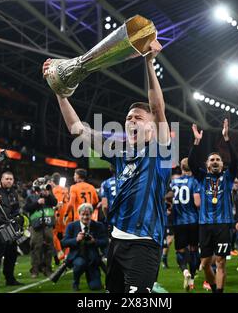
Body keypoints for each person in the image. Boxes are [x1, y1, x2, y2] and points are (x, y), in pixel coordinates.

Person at [43, 39, 172, 293]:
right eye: (128, 118)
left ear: (151, 126)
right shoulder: (120, 154)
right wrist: (59, 89)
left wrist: (149, 62)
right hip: (116, 242)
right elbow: (76, 128)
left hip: (144, 243)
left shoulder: (161, 152)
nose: (131, 121)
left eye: (138, 118)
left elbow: (157, 108)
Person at [188, 119, 236, 293]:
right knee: (205, 264)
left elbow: (236, 161)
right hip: (205, 225)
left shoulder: (228, 178)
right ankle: (214, 286)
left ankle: (219, 292)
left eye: (218, 159)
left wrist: (227, 139)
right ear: (207, 165)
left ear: (222, 164)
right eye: (212, 160)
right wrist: (197, 142)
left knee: (221, 261)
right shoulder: (202, 178)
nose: (215, 161)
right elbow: (192, 162)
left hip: (223, 224)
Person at [170, 157, 201, 291]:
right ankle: (192, 279)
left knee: (180, 250)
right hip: (193, 221)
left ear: (181, 168)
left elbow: (169, 198)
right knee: (194, 249)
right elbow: (197, 203)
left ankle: (185, 271)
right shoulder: (194, 181)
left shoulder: (174, 182)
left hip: (178, 221)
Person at [61, 203, 108, 291]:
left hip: (93, 260)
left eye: (87, 214)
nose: (85, 217)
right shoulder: (71, 226)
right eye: (83, 214)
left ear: (91, 214)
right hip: (77, 257)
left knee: (95, 287)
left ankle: (92, 279)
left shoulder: (98, 226)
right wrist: (76, 239)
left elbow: (105, 241)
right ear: (79, 215)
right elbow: (63, 243)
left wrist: (95, 241)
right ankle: (76, 281)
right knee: (80, 264)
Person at [0, 171, 23, 288]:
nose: (9, 181)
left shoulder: (13, 193)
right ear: (2, 180)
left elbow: (16, 208)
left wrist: (17, 218)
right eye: (7, 179)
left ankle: (10, 278)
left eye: (11, 179)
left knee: (12, 254)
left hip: (11, 227)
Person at [24, 180, 58, 278]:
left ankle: (48, 269)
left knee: (49, 248)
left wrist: (48, 195)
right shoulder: (31, 197)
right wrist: (37, 203)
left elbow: (54, 202)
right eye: (41, 188)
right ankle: (34, 270)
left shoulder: (49, 197)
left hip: (48, 226)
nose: (43, 190)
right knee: (36, 248)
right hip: (36, 227)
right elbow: (26, 208)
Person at [50, 173, 70, 262]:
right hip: (68, 214)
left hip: (59, 214)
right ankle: (67, 254)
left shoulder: (55, 190)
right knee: (67, 234)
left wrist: (56, 214)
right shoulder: (66, 189)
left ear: (52, 181)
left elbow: (58, 203)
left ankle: (60, 253)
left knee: (53, 234)